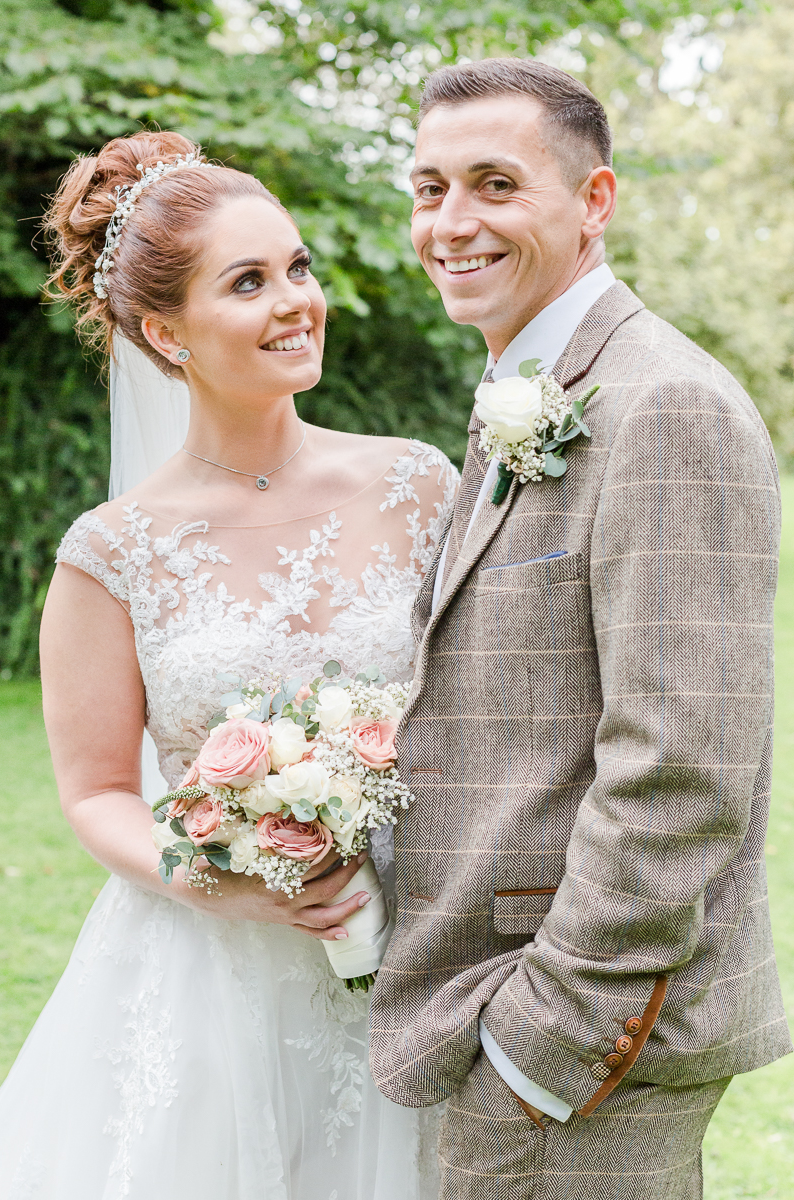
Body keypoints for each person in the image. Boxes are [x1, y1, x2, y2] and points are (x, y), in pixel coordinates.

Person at [0, 129, 457, 1199]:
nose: (296, 299)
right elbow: (99, 791)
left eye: (297, 266)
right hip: (212, 976)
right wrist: (215, 881)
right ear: (165, 330)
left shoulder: (417, 487)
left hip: (422, 945)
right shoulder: (112, 551)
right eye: (248, 282)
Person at [369, 57, 791, 1199]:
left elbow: (679, 767)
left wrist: (543, 1045)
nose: (450, 223)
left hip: (582, 1048)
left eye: (494, 184)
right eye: (427, 188)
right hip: (490, 1006)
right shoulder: (526, 386)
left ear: (592, 203)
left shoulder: (666, 407)